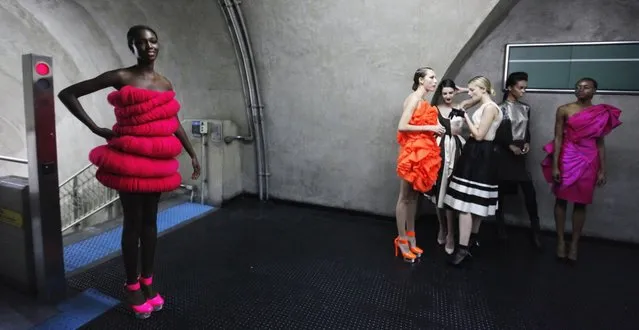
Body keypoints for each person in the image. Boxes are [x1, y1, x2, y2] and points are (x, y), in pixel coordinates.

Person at [58, 25, 201, 319]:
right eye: (141, 42)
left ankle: (148, 281)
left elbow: (172, 120)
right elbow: (68, 93)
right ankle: (132, 284)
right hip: (129, 160)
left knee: (150, 222)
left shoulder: (164, 82)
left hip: (155, 162)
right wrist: (96, 128)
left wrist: (191, 152)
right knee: (133, 223)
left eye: (153, 40)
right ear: (131, 47)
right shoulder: (121, 77)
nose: (149, 46)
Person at [541, 77, 622, 262]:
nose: (580, 90)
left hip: (590, 159)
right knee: (561, 200)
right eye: (578, 87)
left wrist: (603, 168)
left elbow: (600, 142)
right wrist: (555, 165)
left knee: (581, 203)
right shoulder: (564, 109)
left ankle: (575, 243)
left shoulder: (600, 113)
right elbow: (558, 138)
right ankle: (561, 241)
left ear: (594, 91)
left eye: (586, 87)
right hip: (567, 157)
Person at [443, 76, 503, 266]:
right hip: (479, 153)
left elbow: (478, 135)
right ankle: (470, 241)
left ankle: (463, 248)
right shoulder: (486, 105)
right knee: (475, 202)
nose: (470, 94)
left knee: (467, 204)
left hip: (480, 152)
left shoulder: (491, 108)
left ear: (483, 90)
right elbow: (469, 100)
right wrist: (465, 96)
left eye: (473, 90)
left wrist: (464, 114)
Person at [394, 67, 446, 263]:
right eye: (431, 77)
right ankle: (401, 240)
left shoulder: (422, 101)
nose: (435, 81)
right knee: (404, 197)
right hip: (411, 153)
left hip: (421, 152)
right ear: (421, 80)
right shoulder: (414, 99)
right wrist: (431, 127)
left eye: (435, 77)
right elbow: (402, 125)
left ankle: (411, 237)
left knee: (414, 198)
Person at [494, 72, 542, 249]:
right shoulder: (499, 108)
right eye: (520, 87)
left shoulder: (526, 108)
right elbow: (495, 133)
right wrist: (509, 146)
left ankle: (536, 231)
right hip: (503, 154)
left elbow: (526, 129)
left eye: (525, 87)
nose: (524, 91)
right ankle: (500, 228)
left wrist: (527, 142)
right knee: (499, 193)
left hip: (520, 154)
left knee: (530, 193)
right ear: (509, 88)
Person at [425, 79, 468, 255]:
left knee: (450, 191)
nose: (448, 96)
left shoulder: (460, 106)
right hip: (439, 150)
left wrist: (462, 89)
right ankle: (442, 228)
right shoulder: (434, 109)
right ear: (440, 94)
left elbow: (476, 95)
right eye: (445, 93)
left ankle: (451, 234)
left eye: (451, 92)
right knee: (438, 192)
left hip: (457, 151)